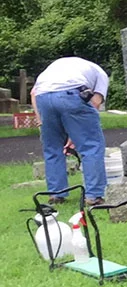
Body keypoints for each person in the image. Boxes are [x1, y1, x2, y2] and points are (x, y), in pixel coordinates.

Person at [31, 56, 110, 205]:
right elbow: (95, 103)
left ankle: (56, 194)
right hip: (71, 93)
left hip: (43, 96)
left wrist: (41, 122)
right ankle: (94, 196)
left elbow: (33, 93)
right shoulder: (100, 74)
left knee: (53, 149)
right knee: (91, 146)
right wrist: (76, 134)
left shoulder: (57, 66)